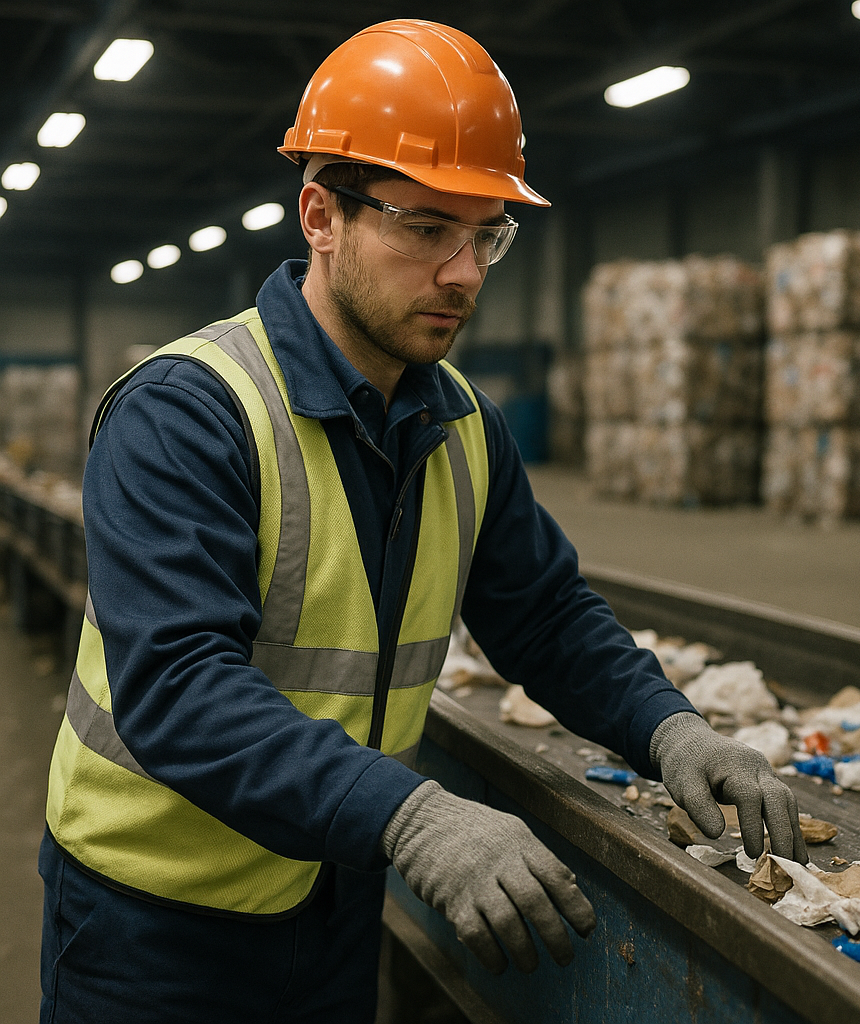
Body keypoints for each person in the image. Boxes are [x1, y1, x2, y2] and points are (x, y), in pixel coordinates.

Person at [38, 18, 807, 1024]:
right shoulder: (190, 410)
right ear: (321, 214)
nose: (464, 272)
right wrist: (407, 813)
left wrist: (667, 727)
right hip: (153, 924)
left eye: (485, 231)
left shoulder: (460, 425)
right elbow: (177, 687)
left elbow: (544, 615)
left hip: (331, 898)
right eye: (424, 227)